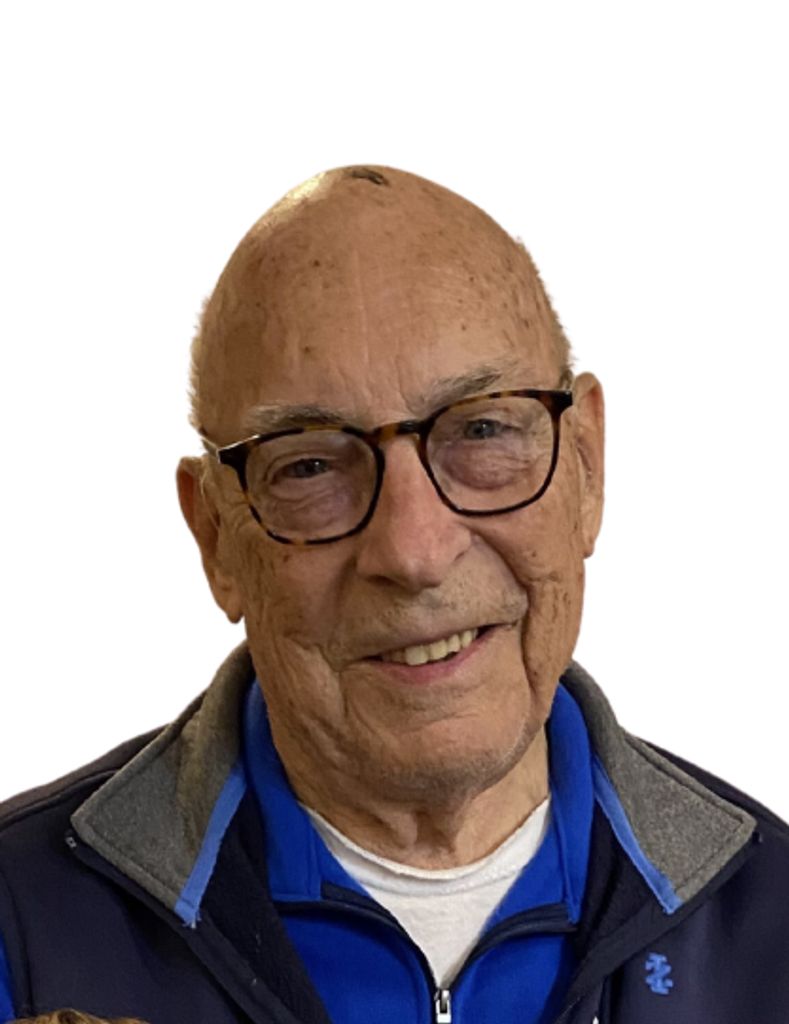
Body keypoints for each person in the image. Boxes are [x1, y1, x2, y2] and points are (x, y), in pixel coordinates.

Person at [0, 166, 787, 1024]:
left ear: (587, 467)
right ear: (216, 536)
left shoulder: (770, 927)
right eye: (309, 466)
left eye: (481, 429)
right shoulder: (19, 929)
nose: (413, 552)